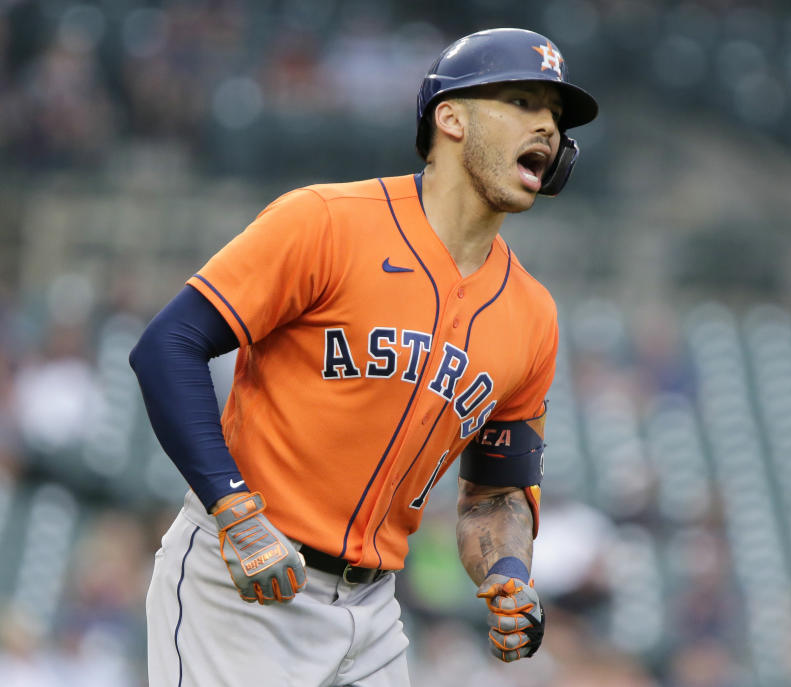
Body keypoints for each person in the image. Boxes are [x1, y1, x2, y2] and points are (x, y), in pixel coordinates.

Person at [129, 27, 598, 686]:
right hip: (243, 587)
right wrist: (233, 510)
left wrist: (507, 572)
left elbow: (494, 492)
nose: (546, 127)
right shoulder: (325, 221)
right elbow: (167, 346)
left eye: (555, 116)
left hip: (374, 610)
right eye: (522, 101)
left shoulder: (533, 314)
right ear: (451, 117)